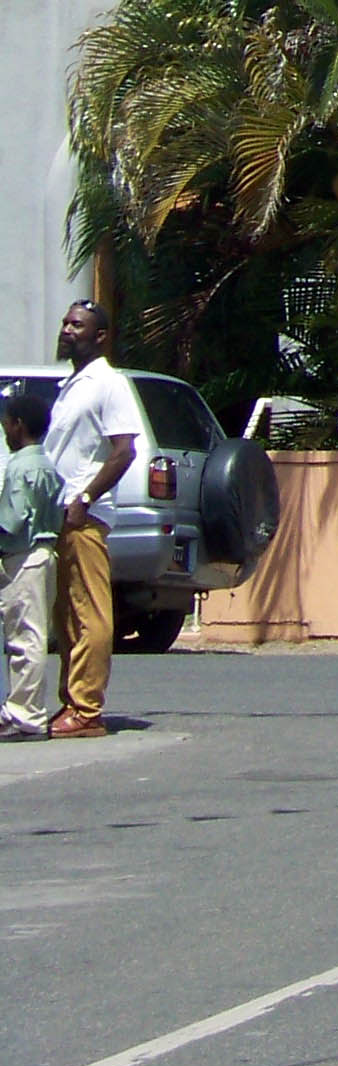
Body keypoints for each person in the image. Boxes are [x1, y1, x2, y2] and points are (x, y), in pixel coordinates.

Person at [41, 302, 139, 740]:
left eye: (77, 325)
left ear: (100, 336)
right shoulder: (72, 385)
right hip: (59, 514)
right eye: (65, 323)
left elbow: (124, 451)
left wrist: (85, 496)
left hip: (84, 516)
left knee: (89, 613)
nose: (67, 330)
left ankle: (86, 710)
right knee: (65, 615)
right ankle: (70, 701)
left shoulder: (108, 384)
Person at [0, 383, 63, 739]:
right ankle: (23, 709)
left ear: (19, 424)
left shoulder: (19, 468)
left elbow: (11, 520)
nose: (5, 431)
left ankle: (26, 715)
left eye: (7, 424)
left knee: (25, 638)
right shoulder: (47, 466)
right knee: (32, 633)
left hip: (22, 556)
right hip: (45, 553)